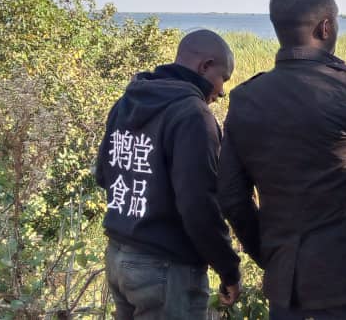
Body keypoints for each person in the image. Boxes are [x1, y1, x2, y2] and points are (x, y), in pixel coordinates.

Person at [218, 0, 346, 320]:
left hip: (288, 291)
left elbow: (231, 196)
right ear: (325, 27)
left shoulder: (245, 99)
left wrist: (273, 256)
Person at [95, 29, 242, 319]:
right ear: (205, 66)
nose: (222, 91)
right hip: (166, 269)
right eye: (223, 78)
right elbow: (198, 205)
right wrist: (228, 269)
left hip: (118, 257)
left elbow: (103, 174)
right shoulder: (193, 115)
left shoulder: (125, 103)